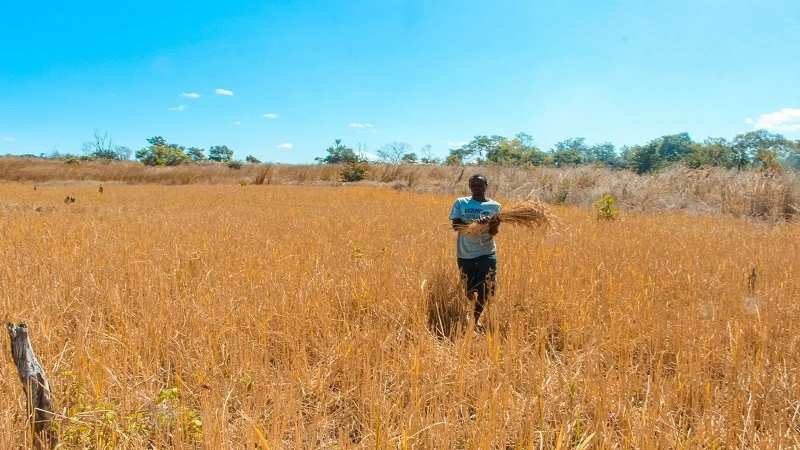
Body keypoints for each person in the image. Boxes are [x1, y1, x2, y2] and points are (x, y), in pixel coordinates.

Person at [449, 174, 501, 328]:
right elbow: (456, 226)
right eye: (474, 185)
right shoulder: (461, 202)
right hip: (465, 252)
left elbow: (494, 232)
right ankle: (471, 309)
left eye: (480, 185)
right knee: (469, 289)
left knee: (487, 288)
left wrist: (490, 225)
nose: (477, 188)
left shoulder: (495, 206)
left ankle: (474, 320)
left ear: (486, 186)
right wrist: (475, 225)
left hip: (487, 251)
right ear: (469, 186)